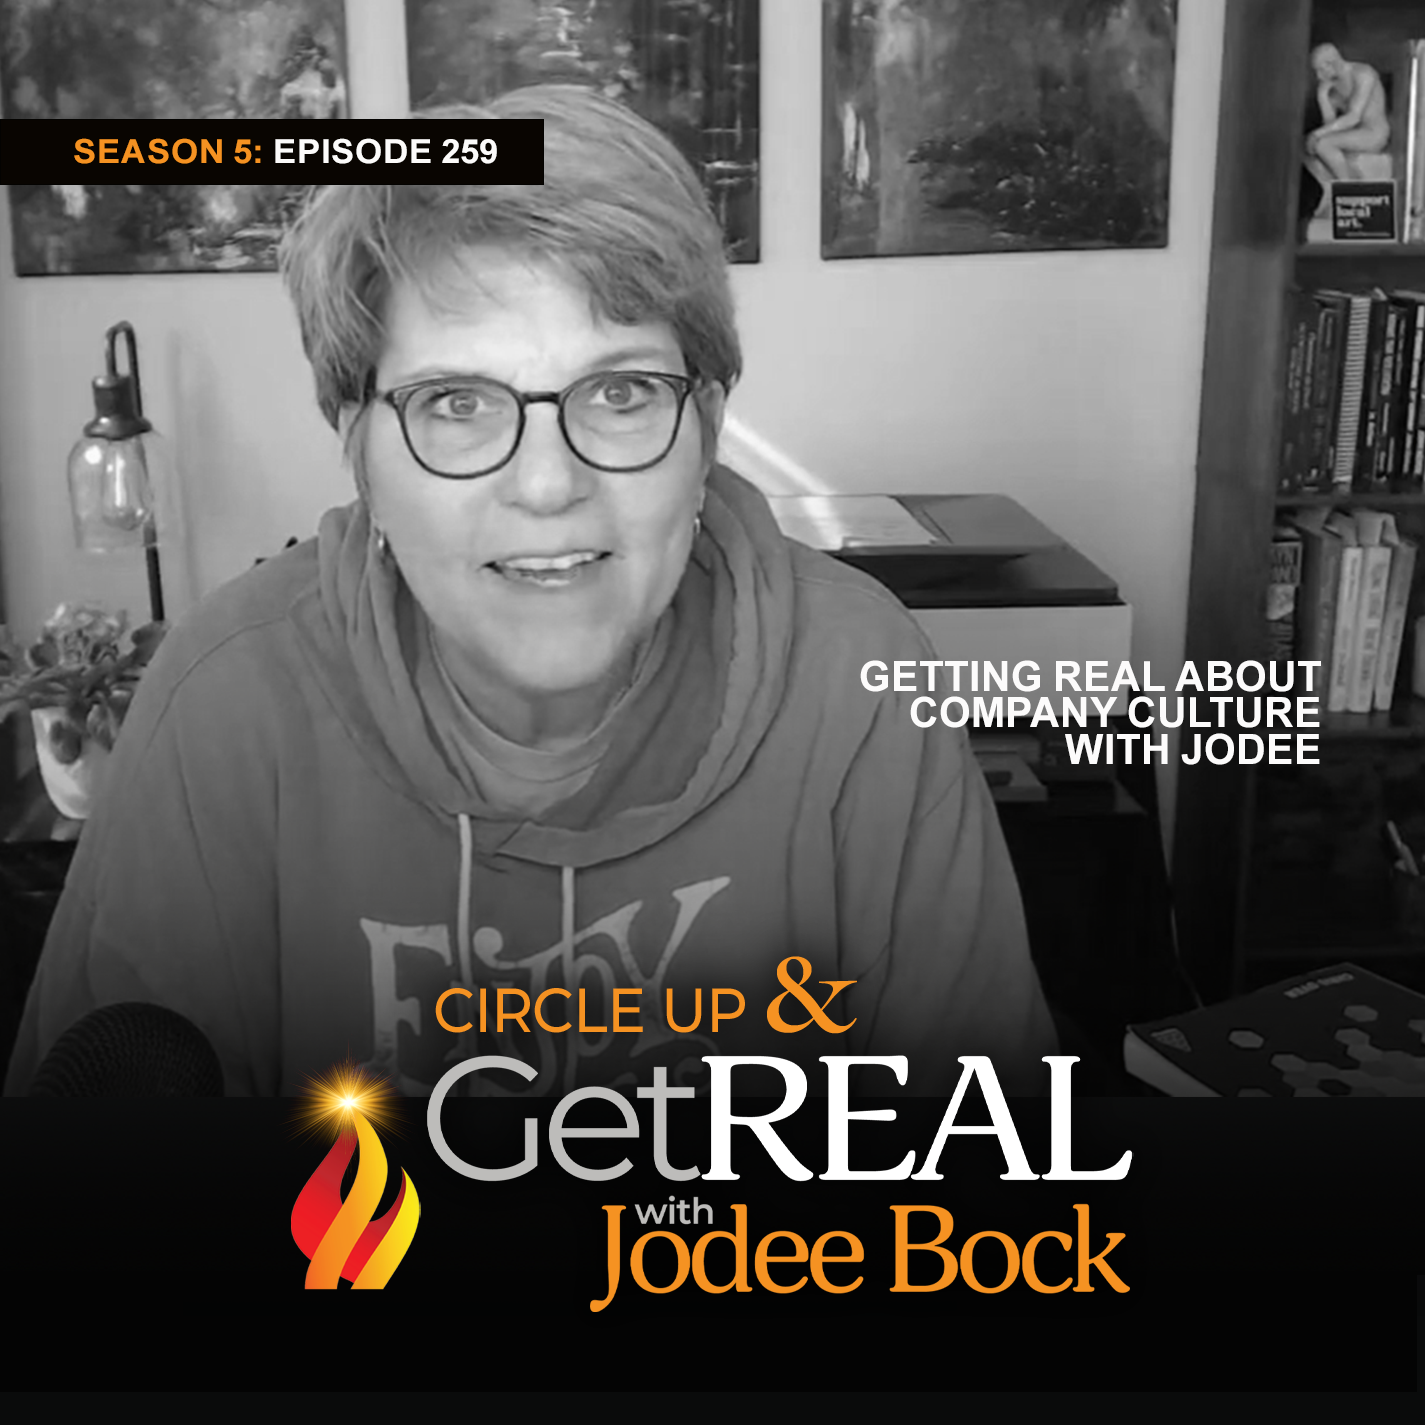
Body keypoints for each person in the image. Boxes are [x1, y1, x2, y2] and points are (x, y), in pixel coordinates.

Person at [6, 86, 1057, 1098]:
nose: (548, 484)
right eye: (456, 402)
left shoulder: (855, 679)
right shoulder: (225, 702)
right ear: (356, 446)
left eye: (621, 390)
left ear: (705, 428)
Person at [1304, 42, 1391, 200]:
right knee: (1320, 143)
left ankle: (1349, 188)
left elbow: (1353, 117)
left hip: (1374, 133)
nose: (1318, 76)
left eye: (1320, 70)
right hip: (1354, 134)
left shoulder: (1363, 74)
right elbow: (1330, 125)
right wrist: (1322, 97)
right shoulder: (1332, 87)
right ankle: (1348, 184)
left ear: (1332, 64)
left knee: (1323, 144)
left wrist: (1317, 134)